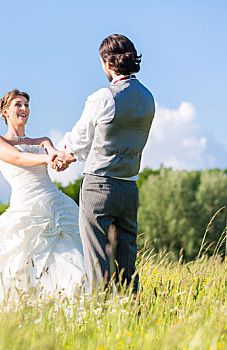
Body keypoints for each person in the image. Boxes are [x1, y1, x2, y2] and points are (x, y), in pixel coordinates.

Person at [0, 89, 87, 309]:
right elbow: (18, 158)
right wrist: (48, 158)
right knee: (20, 263)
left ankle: (71, 307)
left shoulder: (43, 140)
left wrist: (59, 161)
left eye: (26, 104)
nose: (24, 108)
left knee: (70, 258)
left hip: (55, 205)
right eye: (18, 104)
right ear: (5, 111)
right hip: (26, 207)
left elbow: (53, 156)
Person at [60, 34, 155, 293]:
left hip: (98, 186)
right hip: (129, 188)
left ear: (107, 64)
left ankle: (99, 318)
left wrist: (64, 153)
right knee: (127, 265)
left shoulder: (103, 97)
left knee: (97, 263)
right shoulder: (148, 98)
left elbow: (81, 138)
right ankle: (130, 317)